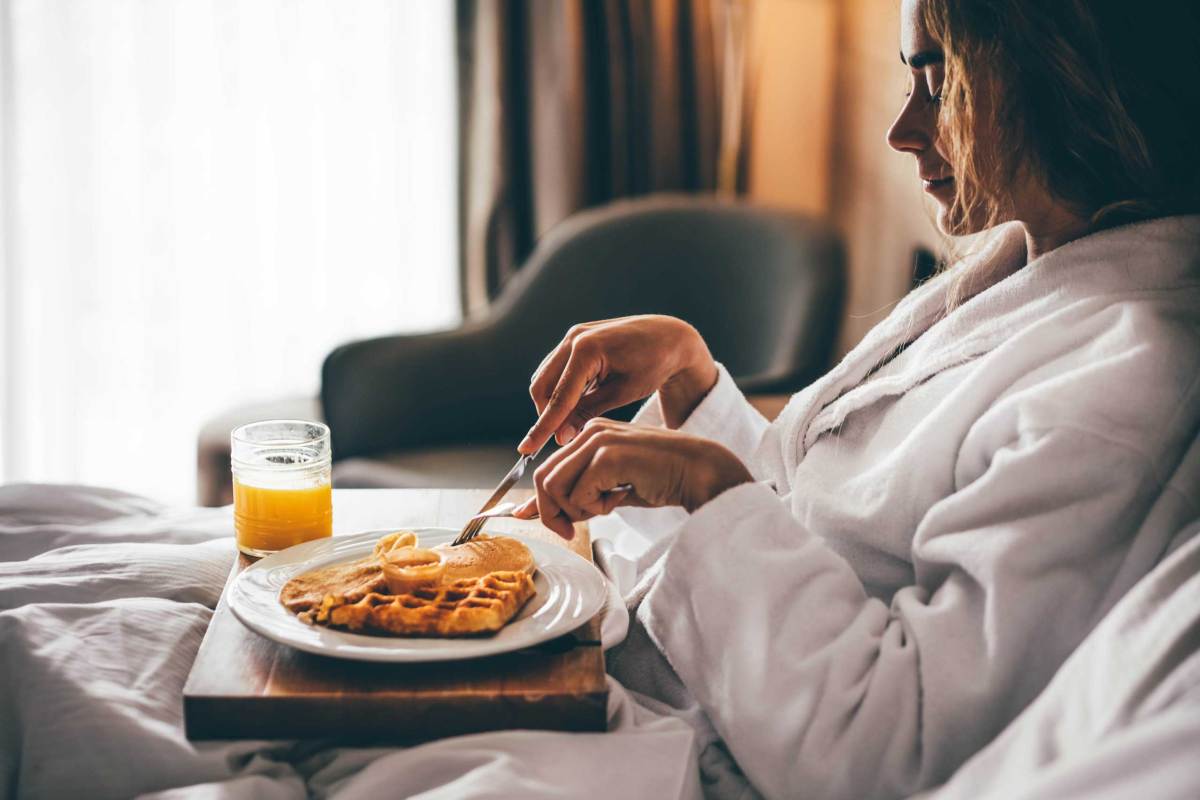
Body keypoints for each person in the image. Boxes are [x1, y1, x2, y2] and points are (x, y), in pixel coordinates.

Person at [510, 0, 1200, 798]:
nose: (902, 131)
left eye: (942, 85)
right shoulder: (1020, 262)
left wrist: (705, 486)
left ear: (1063, 82)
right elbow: (819, 517)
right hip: (657, 684)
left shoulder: (1120, 394)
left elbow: (892, 753)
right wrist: (691, 380)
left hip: (690, 760)